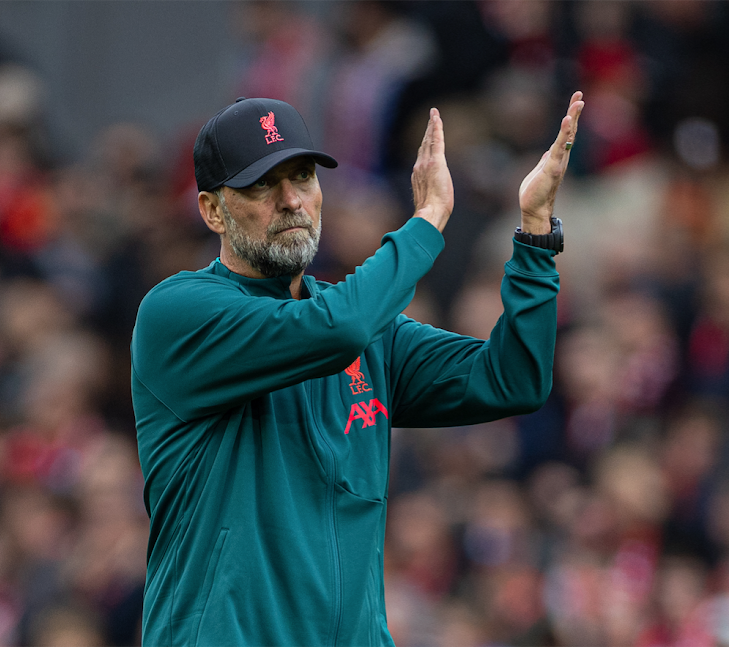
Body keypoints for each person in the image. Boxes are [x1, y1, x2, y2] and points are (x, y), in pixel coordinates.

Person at [131, 92, 584, 647]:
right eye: (261, 185)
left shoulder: (369, 330)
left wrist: (535, 236)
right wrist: (428, 220)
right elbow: (336, 330)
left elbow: (512, 379)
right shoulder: (178, 313)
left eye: (302, 177)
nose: (292, 200)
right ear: (211, 210)